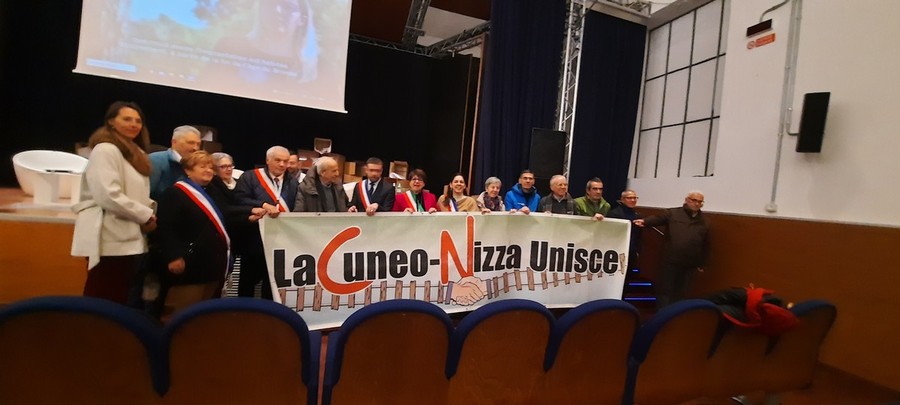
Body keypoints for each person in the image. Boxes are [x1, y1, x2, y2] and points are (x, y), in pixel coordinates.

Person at [71, 101, 156, 305]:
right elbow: (107, 195)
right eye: (127, 119)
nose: (134, 124)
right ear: (111, 121)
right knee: (102, 296)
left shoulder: (136, 153)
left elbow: (138, 194)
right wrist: (145, 215)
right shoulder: (105, 150)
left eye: (138, 121)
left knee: (118, 295)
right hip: (108, 235)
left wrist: (150, 213)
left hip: (129, 234)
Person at [151, 151, 231, 317]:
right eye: (202, 167)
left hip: (213, 264)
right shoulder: (174, 193)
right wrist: (173, 256)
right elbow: (166, 227)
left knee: (206, 315)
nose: (208, 170)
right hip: (189, 266)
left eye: (210, 167)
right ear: (188, 170)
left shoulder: (214, 192)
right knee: (181, 313)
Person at [233, 146, 298, 299]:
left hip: (280, 242)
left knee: (272, 286)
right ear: (267, 160)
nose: (282, 164)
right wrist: (263, 205)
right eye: (278, 160)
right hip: (254, 240)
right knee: (247, 283)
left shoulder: (293, 182)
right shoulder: (250, 177)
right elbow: (239, 199)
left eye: (286, 161)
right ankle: (243, 311)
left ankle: (268, 312)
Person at [634, 190, 711, 308]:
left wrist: (703, 262)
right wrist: (645, 221)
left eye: (700, 202)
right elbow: (658, 218)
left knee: (683, 291)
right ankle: (663, 313)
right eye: (694, 200)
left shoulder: (705, 221)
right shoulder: (673, 213)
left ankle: (676, 313)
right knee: (665, 289)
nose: (697, 204)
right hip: (671, 259)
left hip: (691, 263)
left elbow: (706, 243)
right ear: (687, 200)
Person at [149, 125, 201, 201]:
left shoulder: (196, 166)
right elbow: (146, 194)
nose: (195, 148)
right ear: (174, 142)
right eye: (191, 143)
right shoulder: (156, 159)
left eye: (198, 144)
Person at [607, 190, 642, 270]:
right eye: (629, 198)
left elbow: (638, 235)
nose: (633, 200)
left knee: (631, 273)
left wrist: (637, 250)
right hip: (617, 250)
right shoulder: (614, 214)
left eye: (635, 198)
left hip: (632, 251)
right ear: (622, 200)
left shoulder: (638, 215)